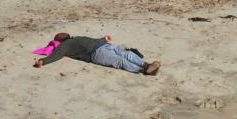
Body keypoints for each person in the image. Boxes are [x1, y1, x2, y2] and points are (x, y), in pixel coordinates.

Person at [31, 31, 161, 76]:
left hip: (104, 45)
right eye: (58, 36)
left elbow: (92, 40)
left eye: (61, 33)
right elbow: (56, 56)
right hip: (95, 54)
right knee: (120, 61)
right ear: (58, 41)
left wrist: (103, 39)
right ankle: (143, 70)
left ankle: (146, 65)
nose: (61, 34)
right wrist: (43, 61)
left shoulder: (75, 38)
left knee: (127, 54)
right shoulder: (64, 46)